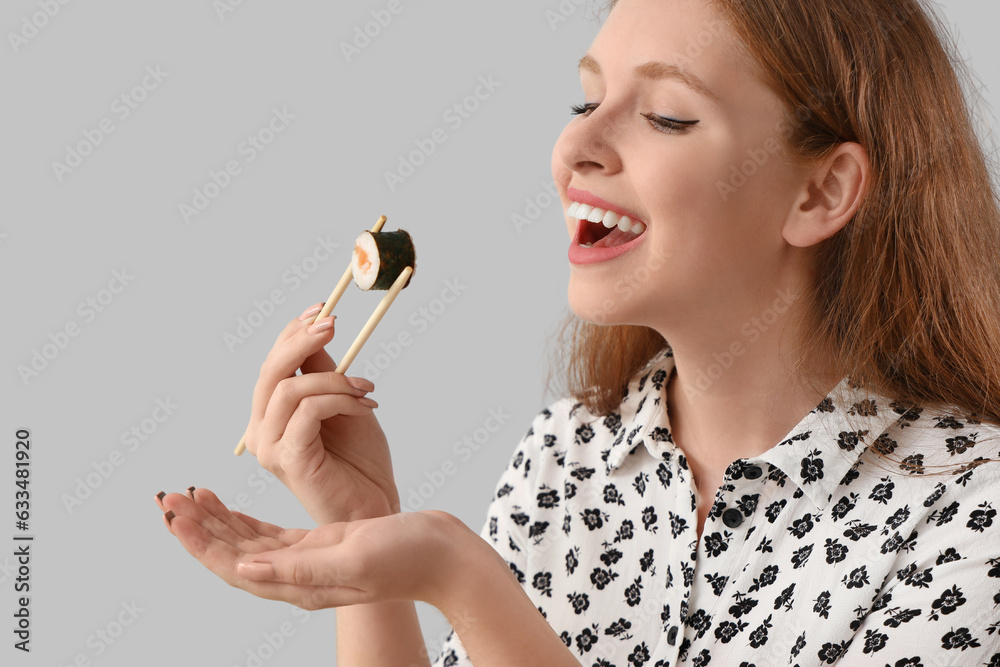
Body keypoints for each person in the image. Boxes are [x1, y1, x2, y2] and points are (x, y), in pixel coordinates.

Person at [155, 0, 1000, 664]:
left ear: (820, 193)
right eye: (587, 99)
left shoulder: (972, 512)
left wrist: (461, 579)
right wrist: (368, 539)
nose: (576, 144)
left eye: (667, 116)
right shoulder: (567, 455)